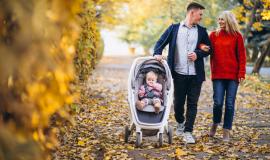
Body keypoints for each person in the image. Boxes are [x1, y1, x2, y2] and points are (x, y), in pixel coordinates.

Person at [153, 2, 211, 143]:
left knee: (192, 104)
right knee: (178, 103)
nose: (201, 17)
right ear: (192, 13)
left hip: (195, 75)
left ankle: (188, 131)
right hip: (178, 74)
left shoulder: (202, 31)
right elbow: (160, 43)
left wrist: (198, 53)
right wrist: (157, 54)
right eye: (200, 14)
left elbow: (209, 49)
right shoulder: (174, 28)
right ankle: (180, 122)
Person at [200, 11, 246, 142]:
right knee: (218, 103)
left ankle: (226, 130)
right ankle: (215, 124)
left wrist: (241, 73)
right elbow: (204, 45)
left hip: (233, 76)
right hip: (218, 75)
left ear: (229, 21)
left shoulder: (237, 36)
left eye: (223, 19)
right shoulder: (214, 35)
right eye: (219, 19)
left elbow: (242, 56)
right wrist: (202, 46)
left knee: (230, 104)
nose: (220, 21)